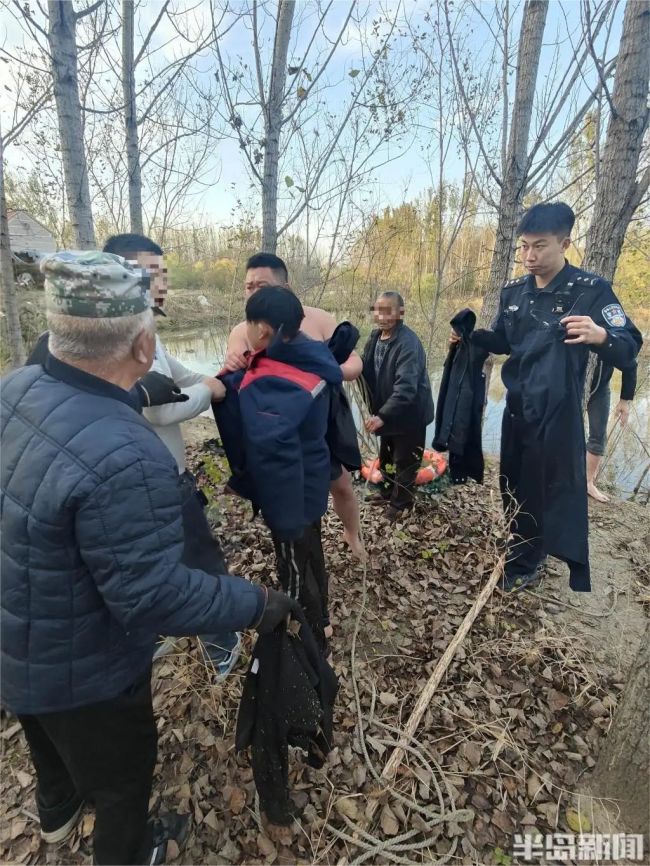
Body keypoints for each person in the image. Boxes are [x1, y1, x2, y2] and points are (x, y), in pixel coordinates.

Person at [0, 251, 295, 865]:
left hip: (19, 634)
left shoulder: (17, 386)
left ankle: (56, 814)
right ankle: (132, 852)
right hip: (86, 666)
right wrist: (254, 601)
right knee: (122, 782)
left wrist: (132, 401)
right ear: (141, 347)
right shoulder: (129, 455)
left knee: (45, 735)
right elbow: (152, 595)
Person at [469, 202, 642, 593]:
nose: (530, 256)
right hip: (517, 406)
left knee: (552, 486)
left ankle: (529, 559)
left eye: (540, 246)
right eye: (524, 246)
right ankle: (524, 540)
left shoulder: (590, 292)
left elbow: (630, 347)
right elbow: (504, 341)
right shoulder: (514, 292)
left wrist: (601, 336)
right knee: (513, 479)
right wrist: (474, 339)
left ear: (565, 243)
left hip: (559, 411)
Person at [103, 233, 242, 680]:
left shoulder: (147, 331)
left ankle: (183, 634)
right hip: (150, 480)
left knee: (167, 562)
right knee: (199, 564)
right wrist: (212, 391)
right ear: (117, 277)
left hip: (160, 475)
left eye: (162, 273)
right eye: (149, 273)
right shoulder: (116, 339)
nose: (161, 283)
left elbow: (179, 376)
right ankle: (222, 643)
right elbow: (164, 408)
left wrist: (217, 377)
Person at [214, 285, 343, 650]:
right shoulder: (311, 356)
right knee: (312, 553)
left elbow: (274, 451)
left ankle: (311, 641)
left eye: (249, 326)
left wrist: (282, 520)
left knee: (294, 568)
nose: (247, 333)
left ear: (264, 332)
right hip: (311, 480)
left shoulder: (273, 382)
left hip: (290, 498)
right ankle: (324, 621)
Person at [224, 253, 365, 566]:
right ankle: (297, 543)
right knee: (291, 486)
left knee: (341, 485)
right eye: (248, 286)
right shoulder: (244, 330)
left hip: (323, 411)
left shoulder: (314, 318)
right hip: (281, 424)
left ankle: (351, 532)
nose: (253, 291)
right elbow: (235, 377)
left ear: (284, 286)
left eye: (261, 284)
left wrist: (327, 372)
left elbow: (356, 361)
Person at [361, 291, 435, 520]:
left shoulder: (408, 343)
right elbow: (364, 369)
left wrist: (382, 416)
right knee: (387, 456)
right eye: (378, 310)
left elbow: (406, 388)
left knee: (405, 460)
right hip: (390, 413)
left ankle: (401, 504)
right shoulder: (375, 338)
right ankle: (386, 492)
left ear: (400, 312)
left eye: (389, 311)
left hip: (410, 415)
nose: (382, 316)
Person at [585, 358, 637, 502]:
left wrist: (625, 399)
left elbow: (629, 361)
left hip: (600, 389)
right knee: (565, 431)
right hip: (572, 385)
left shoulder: (613, 336)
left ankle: (588, 483)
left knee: (598, 435)